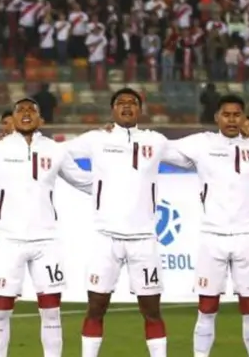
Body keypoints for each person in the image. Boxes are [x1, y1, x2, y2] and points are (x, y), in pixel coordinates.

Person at [0, 98, 92, 357]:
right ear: (13, 119)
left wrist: (120, 184)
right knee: (0, 312)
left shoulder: (54, 150)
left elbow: (83, 181)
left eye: (31, 110)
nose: (26, 113)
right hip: (9, 240)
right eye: (20, 110)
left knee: (51, 312)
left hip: (46, 241)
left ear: (40, 119)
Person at [164, 95, 249, 357]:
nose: (232, 120)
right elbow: (162, 147)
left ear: (244, 118)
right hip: (212, 237)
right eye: (226, 114)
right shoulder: (202, 143)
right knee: (207, 307)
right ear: (217, 118)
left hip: (247, 236)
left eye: (237, 115)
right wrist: (129, 134)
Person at [65, 88, 171, 357]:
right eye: (121, 103)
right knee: (96, 307)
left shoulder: (155, 141)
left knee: (152, 311)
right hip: (106, 238)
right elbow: (56, 154)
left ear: (140, 110)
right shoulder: (96, 139)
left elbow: (193, 157)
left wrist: (243, 140)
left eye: (132, 103)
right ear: (112, 109)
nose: (126, 106)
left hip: (143, 239)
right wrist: (89, 183)